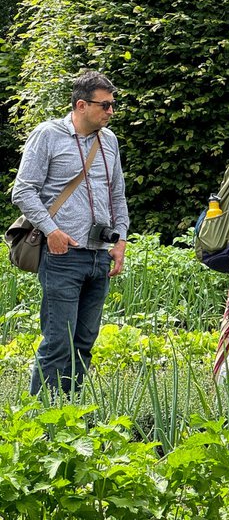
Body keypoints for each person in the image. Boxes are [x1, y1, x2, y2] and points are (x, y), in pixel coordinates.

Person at [12, 71, 130, 395]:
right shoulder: (47, 135)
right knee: (58, 344)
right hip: (62, 256)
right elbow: (22, 191)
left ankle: (69, 416)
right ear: (81, 104)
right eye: (105, 105)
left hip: (99, 258)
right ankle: (40, 421)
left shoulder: (110, 141)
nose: (111, 112)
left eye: (112, 105)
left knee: (83, 345)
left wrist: (120, 239)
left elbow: (117, 194)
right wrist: (52, 231)